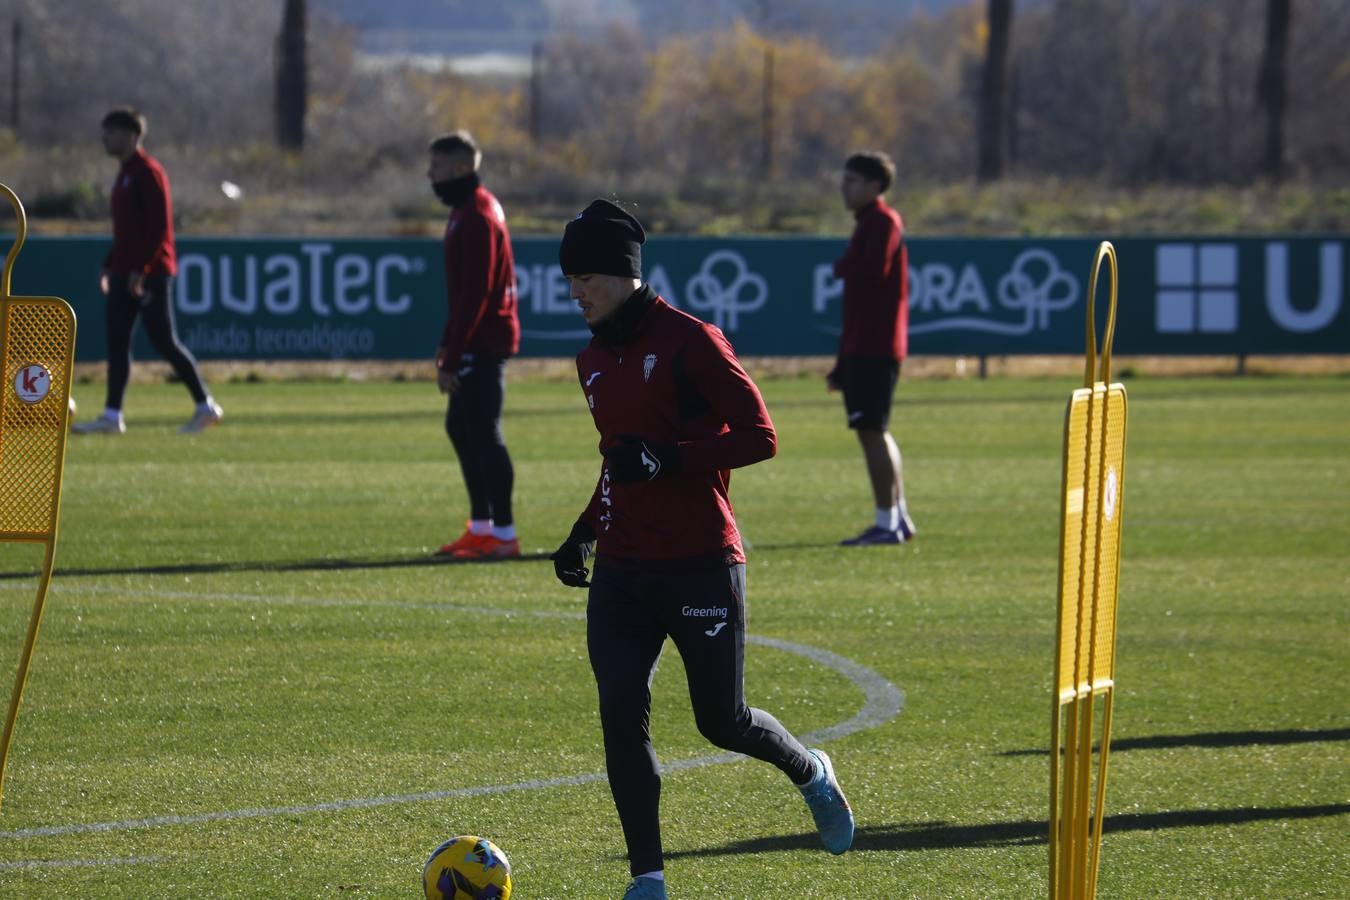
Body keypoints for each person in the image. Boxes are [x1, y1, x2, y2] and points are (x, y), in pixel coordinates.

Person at [549, 200, 854, 900]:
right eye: (569, 277)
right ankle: (648, 880)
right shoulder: (591, 358)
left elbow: (760, 437)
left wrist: (668, 458)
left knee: (723, 721)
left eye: (586, 275)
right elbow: (617, 461)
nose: (575, 290)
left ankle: (811, 773)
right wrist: (585, 528)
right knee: (620, 714)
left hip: (699, 561)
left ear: (625, 272)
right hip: (624, 568)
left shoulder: (693, 341)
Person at [72, 108, 222, 435]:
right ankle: (112, 416)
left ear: (130, 135)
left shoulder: (148, 172)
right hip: (126, 270)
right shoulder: (125, 173)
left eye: (110, 132)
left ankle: (205, 405)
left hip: (149, 272)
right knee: (117, 342)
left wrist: (142, 268)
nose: (105, 139)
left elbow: (158, 228)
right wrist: (111, 263)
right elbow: (128, 230)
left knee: (164, 341)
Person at [426, 131, 521, 560]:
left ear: (462, 168)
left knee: (483, 430)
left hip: (486, 341)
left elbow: (477, 294)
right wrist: (449, 342)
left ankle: (503, 533)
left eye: (438, 168)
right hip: (474, 340)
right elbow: (463, 291)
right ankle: (482, 527)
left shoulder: (479, 214)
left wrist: (454, 349)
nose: (431, 176)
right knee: (462, 427)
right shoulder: (466, 210)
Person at [828, 151, 916, 545]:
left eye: (852, 181)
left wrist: (843, 266)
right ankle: (897, 518)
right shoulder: (871, 222)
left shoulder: (881, 222)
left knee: (871, 431)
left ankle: (886, 524)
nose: (843, 188)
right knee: (876, 431)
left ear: (874, 186)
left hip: (873, 347)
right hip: (867, 346)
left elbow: (869, 272)